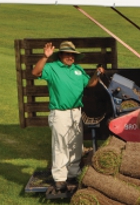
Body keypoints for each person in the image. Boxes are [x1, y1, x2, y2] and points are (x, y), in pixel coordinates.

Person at [32, 41, 104, 193]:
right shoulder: (52, 68)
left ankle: (73, 173)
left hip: (76, 112)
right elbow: (35, 72)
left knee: (75, 144)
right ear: (60, 55)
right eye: (67, 54)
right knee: (61, 145)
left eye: (72, 54)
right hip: (60, 113)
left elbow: (89, 84)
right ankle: (59, 179)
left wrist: (97, 74)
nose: (70, 57)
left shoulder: (78, 69)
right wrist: (45, 56)